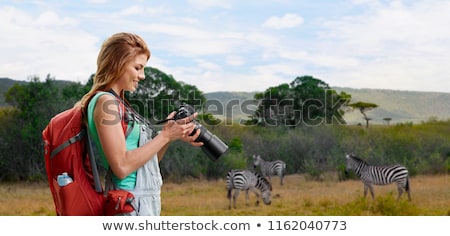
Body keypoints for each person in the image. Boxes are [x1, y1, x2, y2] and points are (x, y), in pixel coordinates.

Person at [77, 32, 203, 216]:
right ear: (118, 63)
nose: (142, 76)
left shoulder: (119, 103)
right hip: (129, 204)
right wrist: (164, 136)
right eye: (138, 68)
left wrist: (169, 135)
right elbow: (121, 167)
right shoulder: (106, 102)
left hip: (143, 202)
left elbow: (147, 163)